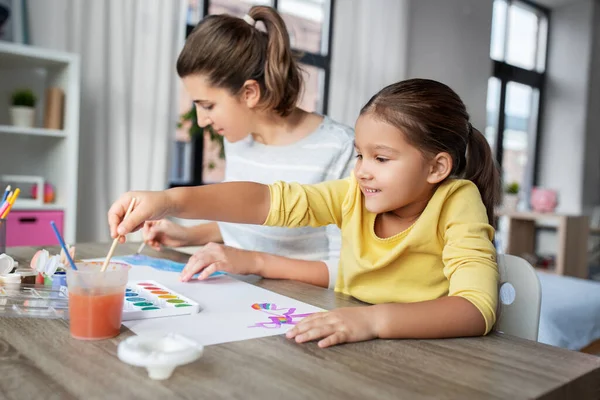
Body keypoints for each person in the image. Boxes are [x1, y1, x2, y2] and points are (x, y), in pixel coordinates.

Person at [108, 78, 501, 348]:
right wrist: (170, 200)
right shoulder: (354, 194)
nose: (362, 169)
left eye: (381, 158)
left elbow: (475, 309)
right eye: (360, 155)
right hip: (349, 339)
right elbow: (268, 202)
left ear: (437, 168)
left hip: (424, 357)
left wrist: (372, 322)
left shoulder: (458, 200)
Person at [144, 6, 354, 289]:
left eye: (208, 106)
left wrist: (254, 262)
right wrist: (187, 235)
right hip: (237, 296)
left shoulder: (340, 149)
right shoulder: (240, 141)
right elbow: (249, 230)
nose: (202, 121)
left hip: (298, 311)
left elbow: (345, 271)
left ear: (249, 93)